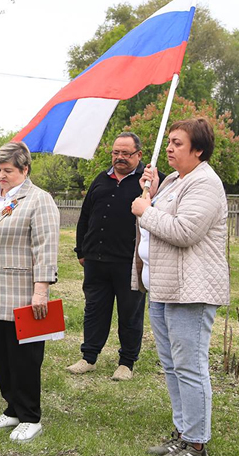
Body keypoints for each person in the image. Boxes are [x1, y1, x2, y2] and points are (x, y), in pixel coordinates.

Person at [131, 118, 229, 456]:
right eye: (169, 142)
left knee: (190, 365)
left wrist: (145, 211)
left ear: (198, 150)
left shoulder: (205, 184)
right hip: (163, 285)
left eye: (177, 143)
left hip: (192, 289)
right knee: (173, 365)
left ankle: (196, 442)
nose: (169, 148)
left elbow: (185, 231)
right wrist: (152, 195)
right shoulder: (175, 179)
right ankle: (183, 432)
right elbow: (160, 216)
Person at [0, 141, 59, 442]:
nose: (1, 175)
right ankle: (12, 409)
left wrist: (41, 291)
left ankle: (30, 416)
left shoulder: (39, 199)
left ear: (24, 169)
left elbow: (46, 248)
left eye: (8, 170)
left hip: (23, 290)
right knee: (1, 353)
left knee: (25, 356)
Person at [68, 133, 163, 381]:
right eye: (116, 153)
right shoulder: (101, 180)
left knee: (130, 313)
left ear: (139, 155)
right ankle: (88, 357)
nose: (119, 158)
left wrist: (153, 188)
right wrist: (82, 250)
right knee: (94, 309)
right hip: (96, 260)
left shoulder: (148, 183)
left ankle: (126, 362)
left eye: (126, 153)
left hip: (130, 261)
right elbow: (85, 217)